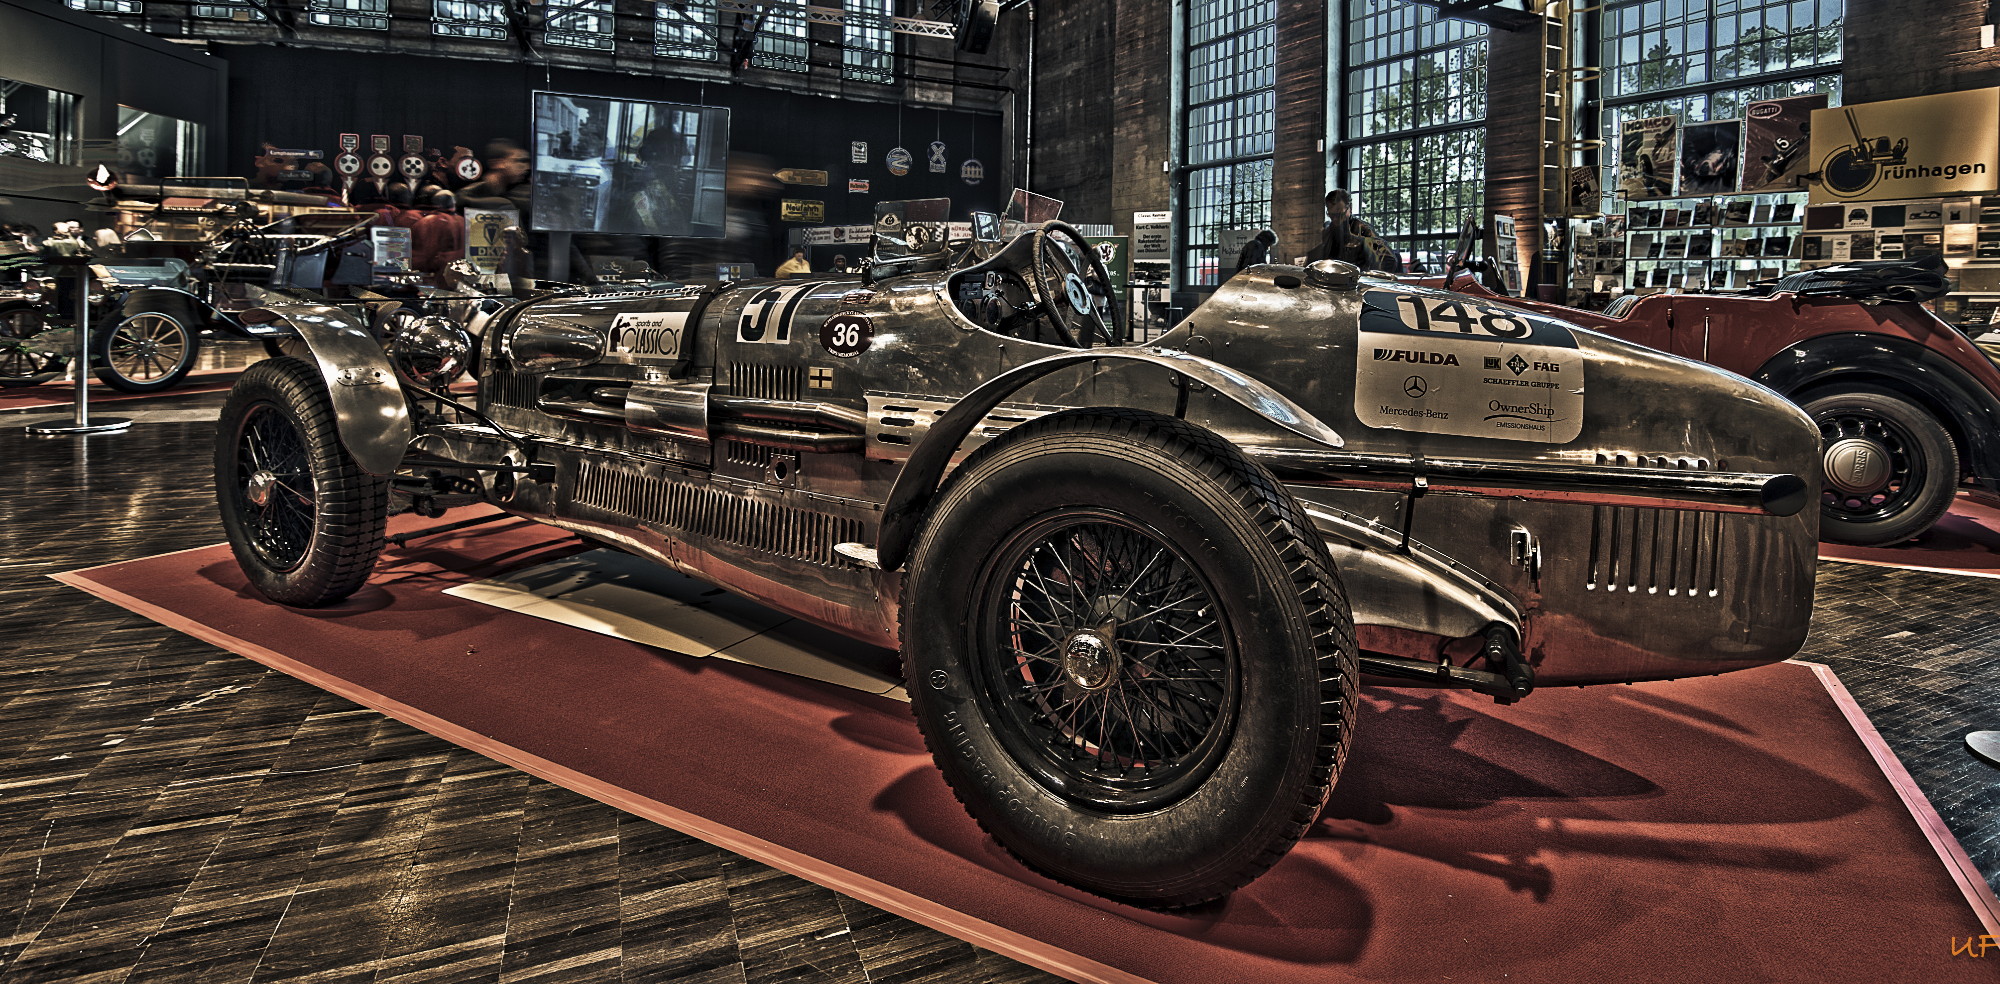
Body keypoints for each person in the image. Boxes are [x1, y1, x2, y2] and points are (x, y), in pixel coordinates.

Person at [1313, 189, 1393, 271]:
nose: (1335, 219)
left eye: (1339, 214)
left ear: (1350, 208)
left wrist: (1367, 276)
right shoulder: (1328, 232)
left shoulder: (1364, 230)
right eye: (1331, 215)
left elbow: (1389, 259)